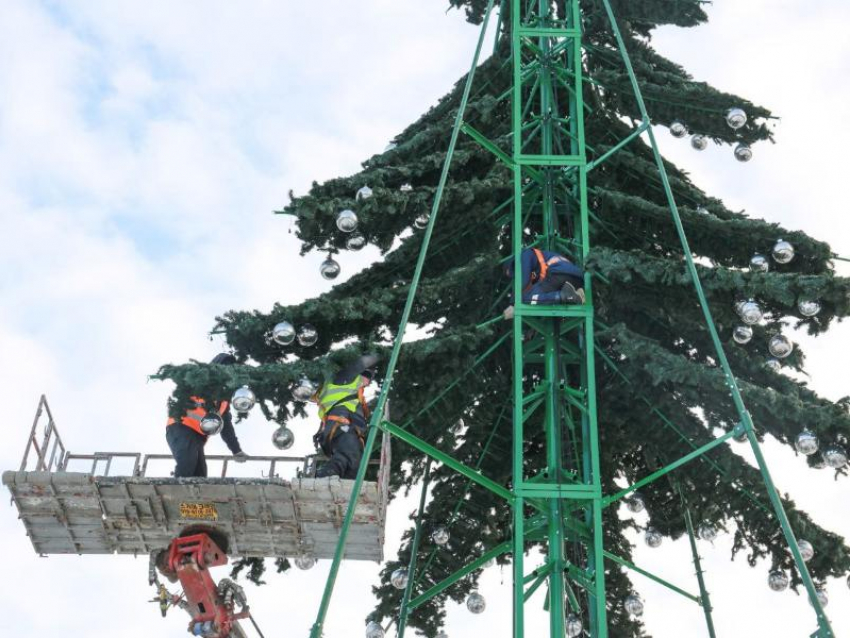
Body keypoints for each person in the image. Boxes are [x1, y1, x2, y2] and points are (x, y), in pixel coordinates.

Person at [165, 353, 248, 478]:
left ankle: (189, 490)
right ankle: (175, 488)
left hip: (198, 437)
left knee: (200, 475)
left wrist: (236, 450)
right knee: (187, 464)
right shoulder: (201, 380)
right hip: (180, 427)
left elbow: (227, 429)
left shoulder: (223, 402)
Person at [311, 353, 380, 479]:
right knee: (348, 454)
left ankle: (344, 483)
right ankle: (324, 475)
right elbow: (362, 362)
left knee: (354, 464)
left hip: (345, 428)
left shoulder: (354, 391)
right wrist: (380, 354)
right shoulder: (343, 378)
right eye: (367, 376)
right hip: (341, 424)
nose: (368, 381)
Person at [503, 247, 585, 319]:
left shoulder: (525, 255)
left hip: (558, 273)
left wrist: (513, 304)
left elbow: (524, 280)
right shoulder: (539, 259)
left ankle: (566, 296)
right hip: (576, 279)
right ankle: (575, 294)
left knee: (526, 298)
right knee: (534, 295)